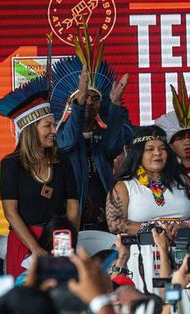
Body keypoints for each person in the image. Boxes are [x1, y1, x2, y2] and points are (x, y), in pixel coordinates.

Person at [0, 77, 79, 277]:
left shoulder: (62, 160)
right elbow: (10, 212)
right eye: (47, 126)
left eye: (54, 125)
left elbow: (73, 206)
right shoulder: (11, 164)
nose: (53, 131)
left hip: (60, 239)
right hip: (24, 242)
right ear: (31, 130)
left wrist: (68, 240)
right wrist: (35, 248)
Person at [53, 55, 134, 232]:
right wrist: (79, 103)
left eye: (95, 98)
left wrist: (115, 105)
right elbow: (69, 143)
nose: (89, 101)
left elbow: (112, 148)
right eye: (85, 97)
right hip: (71, 218)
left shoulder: (103, 134)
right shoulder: (59, 133)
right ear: (72, 102)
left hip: (104, 217)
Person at [105, 125, 190, 236]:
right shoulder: (124, 186)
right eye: (150, 149)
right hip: (142, 251)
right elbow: (114, 223)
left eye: (162, 148)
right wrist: (153, 229)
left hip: (185, 249)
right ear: (138, 153)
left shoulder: (183, 180)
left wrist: (186, 225)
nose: (157, 153)